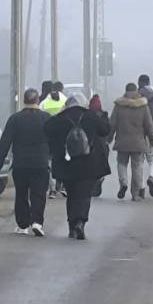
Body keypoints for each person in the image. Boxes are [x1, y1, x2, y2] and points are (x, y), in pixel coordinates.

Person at [45, 95, 112, 240]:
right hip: (89, 163)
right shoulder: (91, 116)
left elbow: (47, 129)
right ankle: (81, 222)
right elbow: (105, 130)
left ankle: (72, 224)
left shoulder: (60, 118)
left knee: (72, 194)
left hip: (67, 163)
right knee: (85, 194)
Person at [0, 88, 53, 236]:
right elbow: (54, 140)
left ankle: (23, 224)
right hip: (40, 163)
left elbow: (5, 141)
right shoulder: (47, 118)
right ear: (37, 100)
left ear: (24, 101)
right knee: (38, 193)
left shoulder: (15, 119)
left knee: (21, 194)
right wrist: (54, 157)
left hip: (20, 164)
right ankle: (37, 222)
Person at [111, 83, 153, 200]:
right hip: (138, 143)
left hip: (122, 142)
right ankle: (135, 194)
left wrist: (109, 137)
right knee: (137, 167)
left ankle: (124, 182)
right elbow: (149, 125)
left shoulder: (119, 105)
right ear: (136, 91)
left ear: (125, 91)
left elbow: (112, 124)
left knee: (121, 164)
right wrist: (152, 139)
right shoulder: (143, 105)